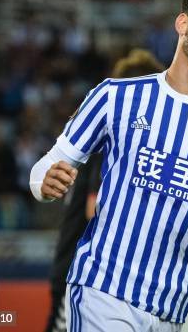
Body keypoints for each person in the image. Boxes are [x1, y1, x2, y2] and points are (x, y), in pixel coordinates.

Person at [30, 0, 188, 332]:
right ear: (183, 23)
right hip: (103, 291)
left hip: (171, 310)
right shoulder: (115, 96)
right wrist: (44, 183)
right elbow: (46, 166)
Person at [45, 49, 166, 332]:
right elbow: (95, 208)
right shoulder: (113, 144)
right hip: (83, 279)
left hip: (81, 274)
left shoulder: (100, 137)